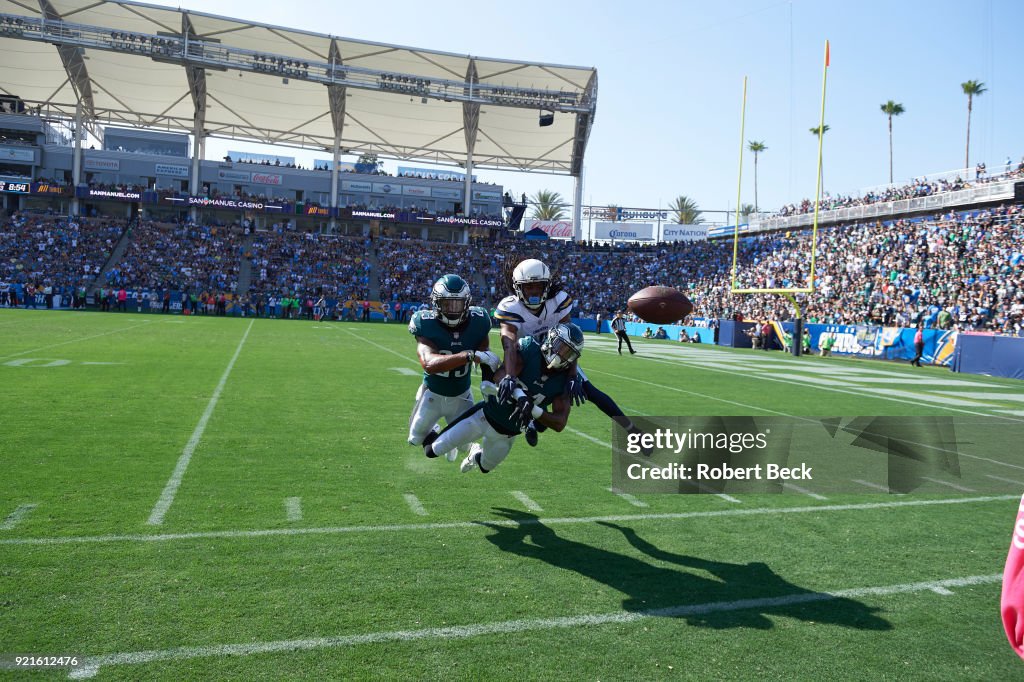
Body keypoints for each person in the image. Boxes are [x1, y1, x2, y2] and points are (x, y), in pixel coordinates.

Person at [494, 258, 649, 453]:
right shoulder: (511, 307)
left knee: (591, 392)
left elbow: (571, 339)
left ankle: (633, 431)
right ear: (518, 288)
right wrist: (509, 375)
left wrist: (573, 375)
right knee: (511, 392)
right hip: (528, 360)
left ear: (547, 285)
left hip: (559, 355)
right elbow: (508, 346)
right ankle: (529, 423)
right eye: (529, 287)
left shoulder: (557, 300)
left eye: (539, 286)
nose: (534, 292)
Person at [424, 323, 581, 474]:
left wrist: (532, 409)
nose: (561, 355)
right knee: (431, 451)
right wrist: (520, 396)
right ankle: (434, 429)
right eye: (561, 348)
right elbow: (501, 375)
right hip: (484, 417)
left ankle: (475, 454)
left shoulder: (566, 380)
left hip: (507, 435)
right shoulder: (530, 350)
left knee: (485, 467)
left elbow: (559, 422)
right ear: (551, 339)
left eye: (569, 353)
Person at [409, 275, 499, 462]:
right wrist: (466, 355)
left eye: (457, 304)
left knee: (465, 443)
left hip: (461, 394)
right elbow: (428, 363)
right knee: (414, 439)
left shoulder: (479, 321)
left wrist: (489, 385)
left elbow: (485, 357)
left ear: (466, 304)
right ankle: (437, 432)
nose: (452, 310)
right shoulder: (425, 323)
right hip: (432, 392)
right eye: (447, 304)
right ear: (436, 303)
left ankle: (456, 443)